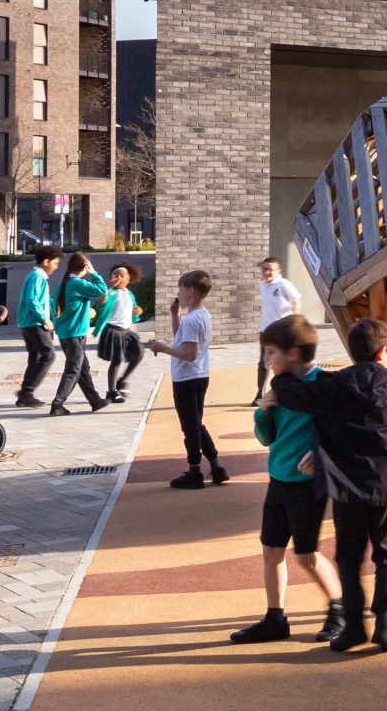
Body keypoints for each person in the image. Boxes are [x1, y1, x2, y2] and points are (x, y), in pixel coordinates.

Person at [268, 316, 387, 653]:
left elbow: (294, 394)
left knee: (349, 557)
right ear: (384, 351)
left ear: (353, 352)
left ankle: (354, 627)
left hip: (348, 487)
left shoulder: (334, 384)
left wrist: (282, 372)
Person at [231, 313, 342, 646]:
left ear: (293, 352)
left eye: (270, 352)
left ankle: (339, 609)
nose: (266, 359)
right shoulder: (278, 389)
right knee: (271, 551)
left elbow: (342, 429)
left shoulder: (324, 385)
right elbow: (266, 438)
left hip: (308, 485)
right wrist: (262, 412)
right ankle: (275, 618)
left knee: (306, 554)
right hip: (278, 479)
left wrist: (322, 454)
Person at [150, 269, 227, 486]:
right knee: (197, 423)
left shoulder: (193, 320)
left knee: (190, 427)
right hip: (200, 376)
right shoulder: (201, 314)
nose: (179, 293)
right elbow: (181, 339)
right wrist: (175, 316)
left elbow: (189, 354)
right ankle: (216, 466)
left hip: (187, 379)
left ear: (191, 291)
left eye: (181, 289)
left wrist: (163, 348)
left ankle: (195, 471)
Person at [47, 252, 113, 417]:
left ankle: (95, 400)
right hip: (75, 333)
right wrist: (94, 273)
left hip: (65, 332)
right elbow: (101, 290)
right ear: (84, 267)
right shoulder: (77, 283)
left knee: (83, 368)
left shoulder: (63, 283)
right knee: (73, 369)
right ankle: (57, 404)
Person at [252, 257, 307, 405]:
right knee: (263, 362)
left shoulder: (284, 284)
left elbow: (297, 300)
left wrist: (296, 320)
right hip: (265, 330)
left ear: (279, 271)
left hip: (282, 331)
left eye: (270, 269)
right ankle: (260, 396)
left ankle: (292, 392)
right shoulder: (262, 285)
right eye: (264, 269)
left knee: (286, 362)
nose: (267, 272)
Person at [14, 248, 60, 406]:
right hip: (34, 323)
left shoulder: (38, 276)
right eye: (55, 263)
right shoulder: (37, 276)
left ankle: (24, 395)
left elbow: (42, 300)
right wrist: (44, 319)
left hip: (29, 323)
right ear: (46, 262)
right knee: (48, 354)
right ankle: (26, 392)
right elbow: (32, 300)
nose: (56, 267)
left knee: (36, 357)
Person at [98, 264, 145, 403]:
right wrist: (107, 287)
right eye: (115, 275)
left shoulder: (129, 294)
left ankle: (122, 381)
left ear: (128, 279)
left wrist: (138, 311)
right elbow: (102, 301)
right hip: (113, 329)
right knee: (117, 361)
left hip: (126, 331)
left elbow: (135, 311)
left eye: (121, 275)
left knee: (139, 353)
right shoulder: (111, 292)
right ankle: (111, 392)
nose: (118, 277)